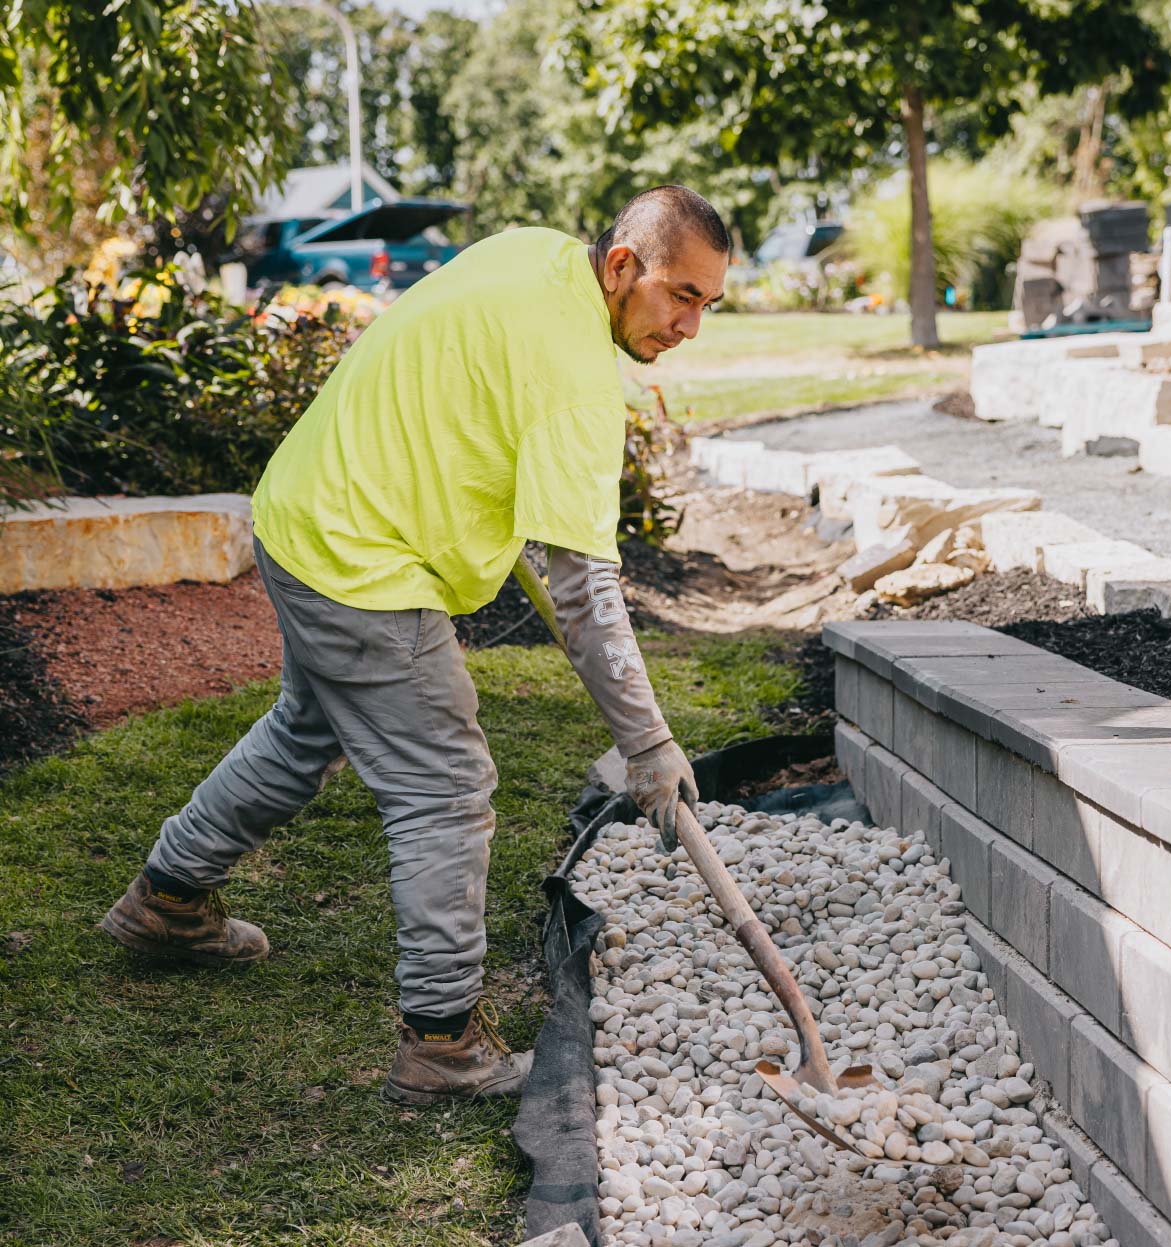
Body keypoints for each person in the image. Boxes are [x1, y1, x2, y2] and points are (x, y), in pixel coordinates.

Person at [101, 184, 731, 1105]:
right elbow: (584, 587)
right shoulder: (578, 383)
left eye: (708, 303)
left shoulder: (536, 252)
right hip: (364, 561)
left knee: (306, 730)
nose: (691, 325)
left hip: (305, 510)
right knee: (443, 784)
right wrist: (647, 742)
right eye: (682, 295)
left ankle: (167, 900)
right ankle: (441, 1044)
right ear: (622, 266)